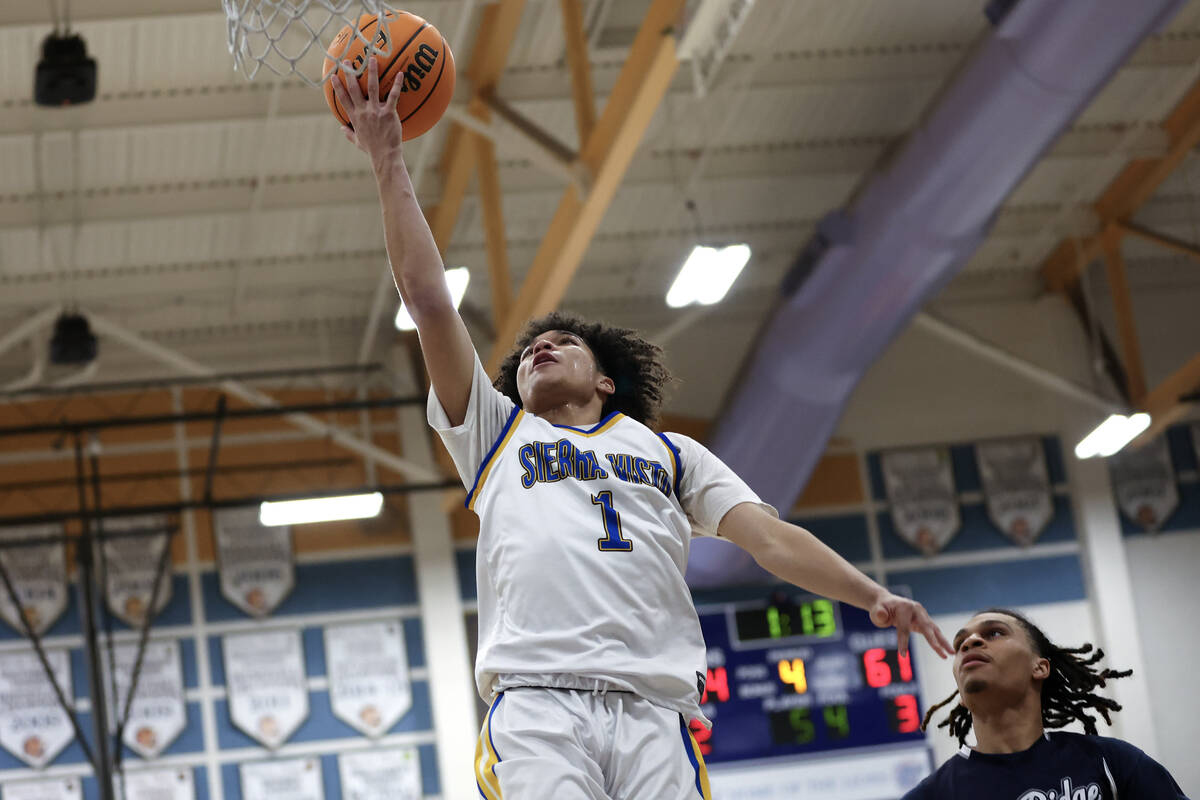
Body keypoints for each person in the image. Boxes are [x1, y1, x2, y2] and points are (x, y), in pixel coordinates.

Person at [331, 57, 954, 800]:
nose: (539, 348)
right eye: (529, 351)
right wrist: (388, 159)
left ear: (605, 380)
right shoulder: (495, 436)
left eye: (561, 343)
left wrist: (870, 595)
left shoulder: (669, 452)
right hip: (538, 705)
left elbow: (771, 541)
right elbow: (430, 301)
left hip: (657, 712)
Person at [904, 608, 1189, 799]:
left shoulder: (1111, 762)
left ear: (1039, 668)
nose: (970, 642)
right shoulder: (934, 795)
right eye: (960, 643)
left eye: (994, 633)